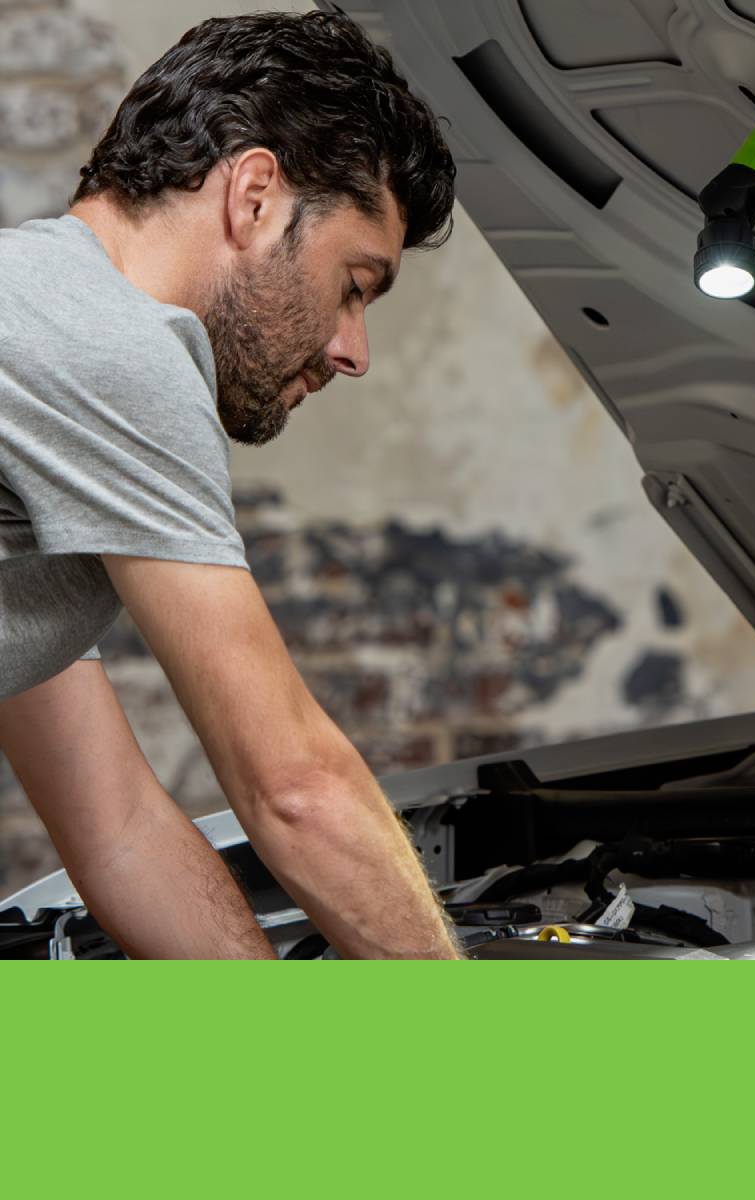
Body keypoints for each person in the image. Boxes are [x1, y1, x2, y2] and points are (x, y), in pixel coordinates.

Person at [0, 11, 461, 959]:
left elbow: (117, 826)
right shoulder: (111, 346)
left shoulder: (46, 330)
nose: (353, 350)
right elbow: (296, 790)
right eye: (354, 284)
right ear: (254, 195)